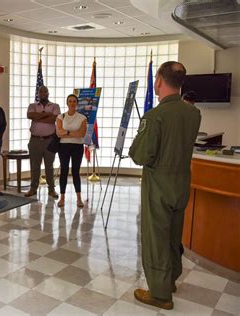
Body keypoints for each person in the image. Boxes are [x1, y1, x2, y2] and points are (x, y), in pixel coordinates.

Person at [129, 61, 201, 310]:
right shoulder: (194, 113)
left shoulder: (155, 116)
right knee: (172, 235)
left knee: (155, 237)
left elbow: (140, 155)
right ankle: (169, 279)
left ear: (158, 80)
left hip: (158, 184)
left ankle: (160, 294)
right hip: (182, 182)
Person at [24, 85, 60, 198]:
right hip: (35, 140)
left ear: (48, 93)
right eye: (40, 92)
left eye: (45, 92)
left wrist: (38, 116)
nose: (43, 93)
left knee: (49, 166)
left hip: (50, 140)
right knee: (35, 166)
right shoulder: (32, 105)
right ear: (38, 94)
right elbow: (30, 115)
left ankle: (51, 190)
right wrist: (47, 114)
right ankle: (33, 188)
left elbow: (54, 118)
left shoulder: (55, 106)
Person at [55, 94, 87, 208]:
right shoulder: (60, 117)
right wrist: (73, 133)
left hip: (77, 147)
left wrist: (67, 132)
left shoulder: (82, 118)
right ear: (67, 103)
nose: (72, 103)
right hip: (63, 147)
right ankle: (62, 198)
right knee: (63, 171)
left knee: (75, 172)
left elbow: (81, 134)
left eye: (74, 101)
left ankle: (79, 198)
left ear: (77, 103)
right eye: (70, 101)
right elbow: (58, 133)